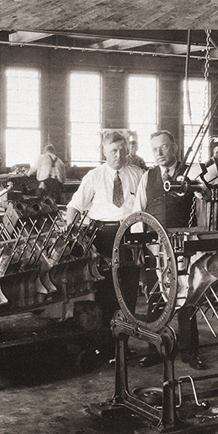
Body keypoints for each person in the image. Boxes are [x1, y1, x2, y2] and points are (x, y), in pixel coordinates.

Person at [133, 131, 206, 370]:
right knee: (155, 300)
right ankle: (156, 349)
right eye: (155, 149)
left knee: (187, 298)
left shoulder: (191, 172)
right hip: (155, 249)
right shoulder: (147, 177)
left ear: (174, 147)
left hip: (184, 247)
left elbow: (206, 194)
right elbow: (138, 213)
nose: (160, 153)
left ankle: (190, 352)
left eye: (164, 147)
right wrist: (139, 246)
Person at [66, 131, 142, 347]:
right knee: (105, 290)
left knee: (128, 290)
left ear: (127, 150)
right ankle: (105, 343)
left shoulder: (137, 174)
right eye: (113, 151)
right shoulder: (94, 176)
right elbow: (74, 206)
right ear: (104, 151)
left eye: (122, 150)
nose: (118, 155)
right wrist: (71, 234)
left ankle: (123, 344)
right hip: (102, 237)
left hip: (130, 235)